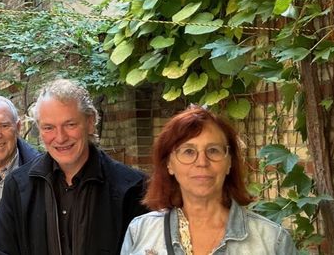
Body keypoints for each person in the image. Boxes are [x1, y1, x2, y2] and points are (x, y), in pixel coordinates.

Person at [0, 79, 148, 254]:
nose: (60, 137)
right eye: (49, 127)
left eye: (70, 124)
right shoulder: (18, 186)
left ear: (90, 122)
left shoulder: (133, 188)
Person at [121, 106, 296, 254]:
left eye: (213, 150)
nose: (202, 162)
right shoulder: (141, 232)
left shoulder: (272, 240)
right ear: (169, 164)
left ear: (229, 163)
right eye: (188, 151)